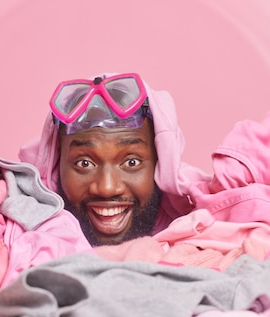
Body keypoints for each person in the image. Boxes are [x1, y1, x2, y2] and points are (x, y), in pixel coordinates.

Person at [19, 72, 211, 246]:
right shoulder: (22, 242)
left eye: (131, 162)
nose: (106, 188)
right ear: (56, 165)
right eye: (84, 163)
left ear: (161, 165)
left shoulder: (206, 240)